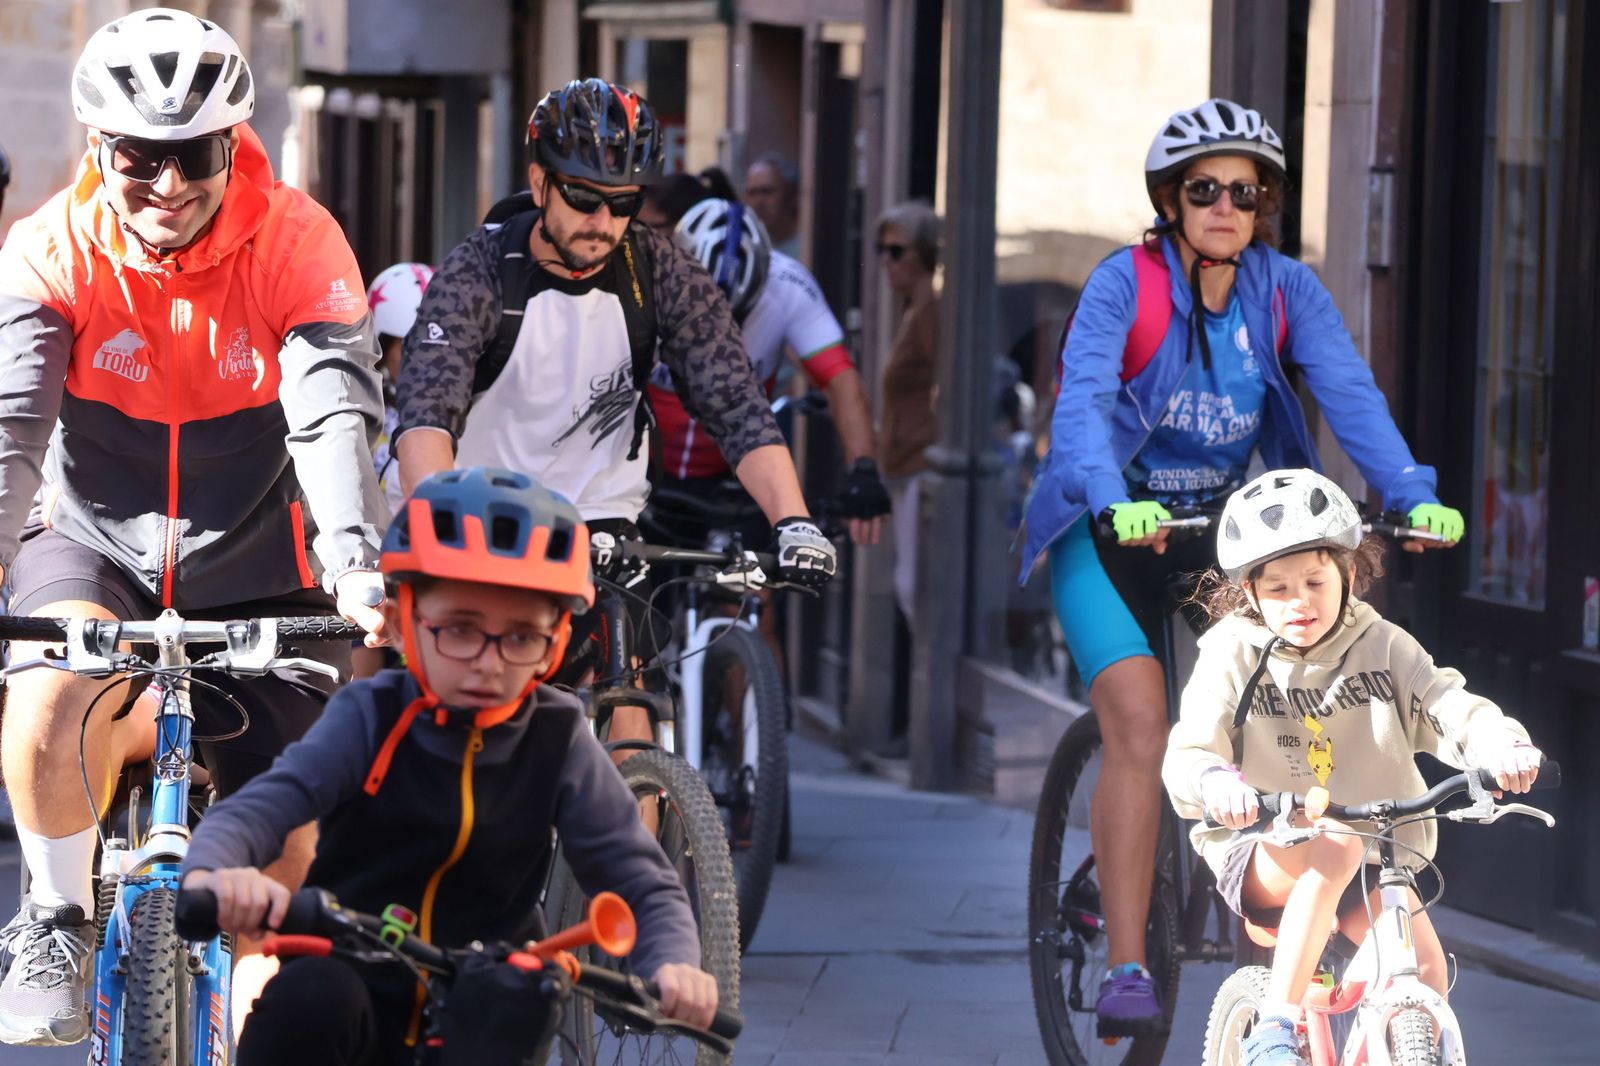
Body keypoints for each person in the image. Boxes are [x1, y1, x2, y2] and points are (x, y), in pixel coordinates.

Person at [1017, 98, 1467, 1036]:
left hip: (1212, 539)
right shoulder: (1122, 285)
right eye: (1204, 188)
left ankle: (1287, 918)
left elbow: (1352, 392)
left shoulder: (1282, 291)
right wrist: (1112, 499)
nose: (1226, 204)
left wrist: (1409, 488)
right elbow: (1084, 409)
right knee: (1140, 722)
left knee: (1290, 692)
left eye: (1247, 190)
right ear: (1170, 199)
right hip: (1106, 533)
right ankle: (1131, 964)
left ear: (1266, 204)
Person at [0, 8, 388, 1046]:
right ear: (100, 149)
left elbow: (332, 412)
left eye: (196, 154)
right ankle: (55, 911)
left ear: (233, 145)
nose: (169, 183)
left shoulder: (298, 241)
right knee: (46, 691)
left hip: (262, 561)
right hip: (96, 545)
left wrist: (356, 566)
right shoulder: (48, 249)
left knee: (293, 831)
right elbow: (11, 430)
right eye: (140, 156)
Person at [179, 467, 715, 1064]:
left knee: (514, 1005)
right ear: (407, 622)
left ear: (557, 642)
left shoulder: (558, 736)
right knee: (308, 1001)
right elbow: (264, 807)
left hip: (487, 981)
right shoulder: (371, 715)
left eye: (519, 638)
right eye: (460, 629)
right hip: (350, 965)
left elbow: (637, 875)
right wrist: (214, 871)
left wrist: (673, 961)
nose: (488, 663)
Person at [394, 79, 835, 748]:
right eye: (583, 198)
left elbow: (736, 403)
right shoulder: (483, 270)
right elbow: (426, 411)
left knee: (634, 705)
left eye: (623, 203)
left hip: (603, 520)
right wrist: (436, 528)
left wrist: (795, 522)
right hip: (485, 515)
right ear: (540, 182)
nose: (602, 222)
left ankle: (640, 838)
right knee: (469, 723)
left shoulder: (658, 271)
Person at [1164, 469, 1541, 1065]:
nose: (1299, 602)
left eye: (1315, 580)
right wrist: (1214, 782)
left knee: (1426, 978)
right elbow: (1190, 750)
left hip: (1375, 853)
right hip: (1266, 843)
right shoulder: (1231, 654)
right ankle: (1273, 1031)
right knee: (1333, 844)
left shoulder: (1384, 645)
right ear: (1251, 594)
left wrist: (1501, 745)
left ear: (1347, 571)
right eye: (1279, 589)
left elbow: (1445, 702)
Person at [654, 197, 889, 548]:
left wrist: (864, 470)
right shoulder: (650, 279)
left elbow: (841, 381)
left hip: (737, 471)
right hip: (651, 466)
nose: (720, 331)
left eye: (737, 315)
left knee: (754, 589)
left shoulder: (788, 286)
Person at [875, 201, 941, 627]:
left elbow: (947, 387)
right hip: (903, 470)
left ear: (924, 255)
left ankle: (933, 693)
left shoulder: (932, 312)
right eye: (883, 251)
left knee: (915, 590)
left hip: (921, 467)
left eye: (897, 251)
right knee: (907, 587)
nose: (887, 262)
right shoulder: (911, 312)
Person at [367, 262, 435, 514]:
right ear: (382, 350)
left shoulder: (467, 412)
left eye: (438, 347)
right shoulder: (363, 416)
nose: (427, 361)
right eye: (411, 347)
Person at [744, 151, 801, 259]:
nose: (758, 202)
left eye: (767, 191)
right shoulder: (749, 249)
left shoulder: (807, 247)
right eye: (752, 193)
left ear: (791, 194)